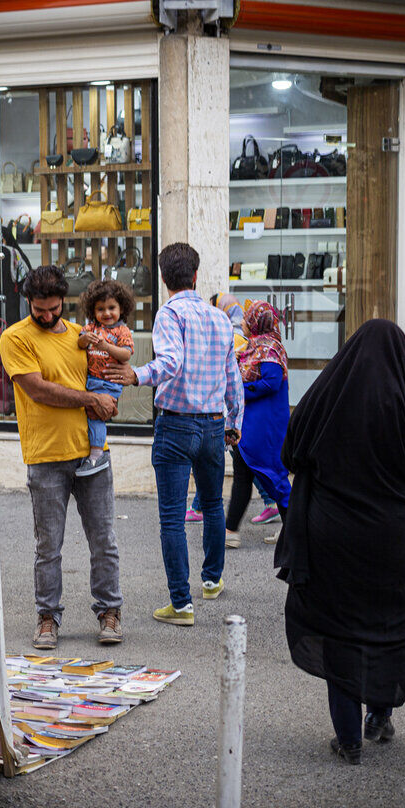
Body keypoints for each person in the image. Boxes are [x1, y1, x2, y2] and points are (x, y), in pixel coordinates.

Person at [274, 320, 405, 765]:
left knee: (340, 627)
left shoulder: (329, 392)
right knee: (391, 621)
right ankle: (379, 716)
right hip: (391, 533)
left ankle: (349, 738)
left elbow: (290, 451)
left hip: (332, 531)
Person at [106, 243, 243, 626]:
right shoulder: (219, 319)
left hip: (177, 423)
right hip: (215, 422)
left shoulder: (170, 313)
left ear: (163, 278)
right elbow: (233, 378)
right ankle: (212, 580)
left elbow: (171, 361)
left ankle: (181, 604)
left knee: (172, 517)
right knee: (214, 504)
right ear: (196, 276)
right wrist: (235, 423)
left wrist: (137, 374)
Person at [0, 265, 124, 649]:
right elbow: (38, 390)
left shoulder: (79, 336)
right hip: (46, 456)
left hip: (92, 453)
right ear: (29, 303)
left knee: (103, 540)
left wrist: (111, 399)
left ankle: (109, 612)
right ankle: (47, 617)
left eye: (54, 309)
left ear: (64, 302)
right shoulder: (15, 338)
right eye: (40, 309)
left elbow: (104, 376)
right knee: (48, 546)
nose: (48, 316)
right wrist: (91, 400)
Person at [188, 294, 278, 526]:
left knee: (216, 459)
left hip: (230, 410)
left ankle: (203, 510)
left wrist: (239, 390)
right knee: (240, 463)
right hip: (232, 409)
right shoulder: (246, 336)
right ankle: (270, 502)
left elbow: (264, 381)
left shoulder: (238, 336)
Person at [224, 302, 291, 548]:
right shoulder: (254, 346)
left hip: (264, 427)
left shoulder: (269, 348)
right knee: (245, 475)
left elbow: (271, 383)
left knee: (273, 476)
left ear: (257, 321)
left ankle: (293, 531)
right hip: (251, 424)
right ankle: (230, 530)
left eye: (246, 318)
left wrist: (241, 390)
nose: (242, 322)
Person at [76, 278, 135, 476]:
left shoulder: (122, 330)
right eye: (100, 309)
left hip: (109, 383)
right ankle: (90, 450)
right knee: (87, 415)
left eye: (111, 307)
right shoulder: (91, 328)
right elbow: (80, 343)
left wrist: (107, 347)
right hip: (91, 381)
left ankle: (96, 454)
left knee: (96, 417)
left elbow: (126, 354)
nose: (107, 313)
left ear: (121, 308)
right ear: (92, 311)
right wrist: (85, 339)